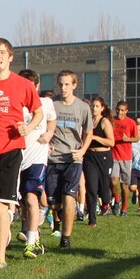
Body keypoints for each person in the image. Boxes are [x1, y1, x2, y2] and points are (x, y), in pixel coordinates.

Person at [0, 39, 42, 269]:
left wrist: (27, 129)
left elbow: (37, 112)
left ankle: (1, 257)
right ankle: (0, 228)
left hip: (11, 148)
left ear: (10, 57)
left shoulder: (22, 84)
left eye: (2, 52)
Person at [46, 71, 93, 249]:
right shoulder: (52, 104)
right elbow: (44, 126)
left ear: (74, 85)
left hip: (73, 158)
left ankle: (65, 238)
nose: (63, 88)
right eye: (61, 84)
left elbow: (89, 132)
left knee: (69, 198)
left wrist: (83, 150)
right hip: (53, 158)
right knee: (53, 202)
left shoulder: (82, 107)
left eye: (67, 84)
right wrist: (47, 143)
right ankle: (62, 213)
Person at [17, 69, 56, 259]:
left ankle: (31, 244)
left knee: (32, 199)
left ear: (37, 87)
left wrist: (49, 134)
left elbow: (52, 121)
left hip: (37, 159)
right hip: (17, 159)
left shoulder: (46, 103)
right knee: (22, 202)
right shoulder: (15, 105)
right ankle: (33, 233)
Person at [84, 96, 115, 224]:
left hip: (103, 157)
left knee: (103, 187)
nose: (94, 108)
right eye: (93, 106)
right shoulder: (88, 121)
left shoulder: (104, 122)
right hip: (90, 157)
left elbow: (111, 142)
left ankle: (107, 202)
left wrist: (95, 137)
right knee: (91, 187)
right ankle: (92, 219)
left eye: (97, 106)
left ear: (102, 108)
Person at [110, 101, 139, 215]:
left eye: (122, 110)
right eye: (118, 110)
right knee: (113, 180)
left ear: (126, 111)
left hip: (126, 157)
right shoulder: (112, 121)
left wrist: (128, 139)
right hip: (113, 154)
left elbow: (136, 138)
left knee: (125, 185)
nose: (119, 112)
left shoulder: (131, 123)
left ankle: (124, 209)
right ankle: (117, 199)